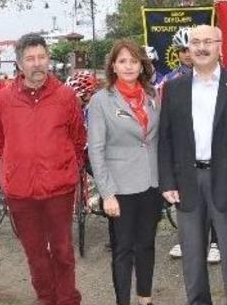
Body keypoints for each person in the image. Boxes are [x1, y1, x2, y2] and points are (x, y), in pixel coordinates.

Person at [158, 24, 227, 305]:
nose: (201, 48)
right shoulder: (173, 88)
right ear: (188, 49)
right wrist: (167, 181)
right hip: (187, 183)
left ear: (220, 46)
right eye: (195, 43)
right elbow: (165, 138)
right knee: (192, 261)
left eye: (208, 42)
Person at [0, 33, 85, 305]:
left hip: (58, 189)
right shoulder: (4, 99)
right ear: (19, 64)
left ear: (49, 60)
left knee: (62, 250)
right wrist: (16, 166)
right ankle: (46, 297)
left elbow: (78, 138)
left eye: (42, 57)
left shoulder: (66, 97)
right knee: (34, 252)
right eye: (30, 59)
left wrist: (62, 164)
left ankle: (67, 299)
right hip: (21, 191)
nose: (37, 63)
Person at [87, 39, 161, 305]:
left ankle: (145, 299)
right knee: (123, 250)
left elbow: (156, 140)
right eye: (122, 61)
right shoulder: (101, 101)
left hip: (152, 184)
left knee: (147, 246)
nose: (129, 66)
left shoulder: (152, 96)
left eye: (134, 61)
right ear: (113, 66)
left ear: (142, 65)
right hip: (119, 190)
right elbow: (96, 150)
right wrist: (106, 193)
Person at [164, 28, 222, 264]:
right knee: (190, 208)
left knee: (219, 205)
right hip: (187, 160)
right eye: (184, 50)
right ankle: (186, 238)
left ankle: (215, 242)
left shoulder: (225, 78)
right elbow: (167, 131)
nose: (188, 54)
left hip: (217, 162)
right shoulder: (171, 82)